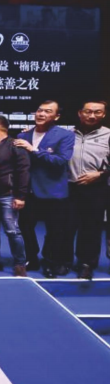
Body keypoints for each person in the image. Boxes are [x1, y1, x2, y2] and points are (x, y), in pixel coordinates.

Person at [15, 101, 75, 277]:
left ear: (56, 116)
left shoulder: (65, 135)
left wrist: (34, 150)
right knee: (24, 227)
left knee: (54, 231)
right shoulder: (23, 135)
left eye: (48, 111)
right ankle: (31, 258)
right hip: (29, 191)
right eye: (39, 110)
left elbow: (60, 160)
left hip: (53, 191)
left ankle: (49, 262)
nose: (41, 114)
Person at [66, 101, 110, 280]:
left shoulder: (108, 134)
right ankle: (63, 261)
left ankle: (86, 264)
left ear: (103, 114)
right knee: (65, 226)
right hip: (68, 187)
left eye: (97, 112)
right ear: (80, 113)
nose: (92, 116)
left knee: (90, 228)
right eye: (88, 112)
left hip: (96, 188)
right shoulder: (68, 134)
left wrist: (100, 174)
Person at [0, 115, 30, 277]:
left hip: (8, 194)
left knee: (12, 230)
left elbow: (24, 171)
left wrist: (21, 196)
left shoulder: (15, 145)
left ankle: (19, 264)